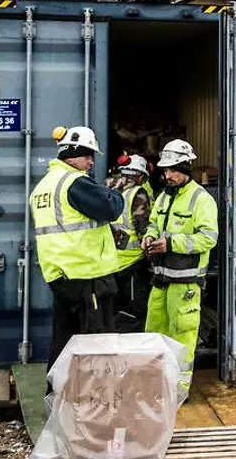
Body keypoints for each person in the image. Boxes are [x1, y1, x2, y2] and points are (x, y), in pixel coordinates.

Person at [28, 125, 123, 368]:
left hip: (61, 276)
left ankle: (57, 395)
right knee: (95, 345)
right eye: (88, 155)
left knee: (64, 340)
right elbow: (111, 207)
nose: (91, 162)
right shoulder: (74, 182)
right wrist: (118, 189)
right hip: (87, 276)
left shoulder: (43, 187)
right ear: (72, 155)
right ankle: (92, 400)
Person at [144, 139, 219, 392]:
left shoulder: (201, 199)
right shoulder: (164, 196)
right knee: (153, 335)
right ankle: (155, 385)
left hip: (185, 284)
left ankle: (178, 390)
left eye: (173, 170)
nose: (168, 175)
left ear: (186, 168)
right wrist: (149, 236)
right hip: (161, 280)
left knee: (182, 337)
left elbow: (209, 238)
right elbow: (153, 223)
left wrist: (171, 243)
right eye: (166, 170)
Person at [108, 153, 154, 333]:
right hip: (133, 264)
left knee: (115, 310)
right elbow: (143, 229)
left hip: (110, 262)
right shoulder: (137, 193)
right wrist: (152, 261)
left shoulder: (107, 188)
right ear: (140, 176)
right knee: (137, 311)